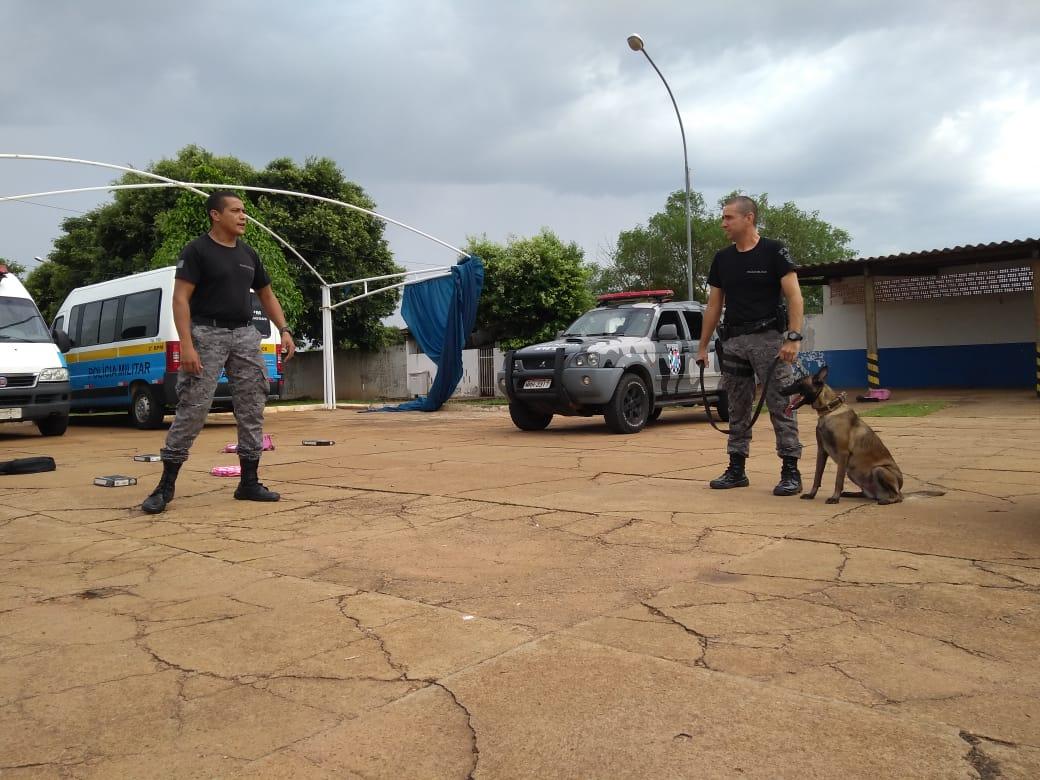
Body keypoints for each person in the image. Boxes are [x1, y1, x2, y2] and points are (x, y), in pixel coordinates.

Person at [141, 191, 296, 514]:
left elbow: (267, 296)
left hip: (244, 334)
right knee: (194, 407)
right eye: (236, 211)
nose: (243, 217)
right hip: (205, 333)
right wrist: (186, 344)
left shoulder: (249, 254)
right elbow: (180, 299)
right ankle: (165, 486)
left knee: (252, 404)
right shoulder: (197, 251)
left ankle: (249, 482)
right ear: (216, 215)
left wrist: (284, 329)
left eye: (244, 211)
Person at [696, 195, 804, 496]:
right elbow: (713, 306)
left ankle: (791, 470)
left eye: (728, 218)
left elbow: (795, 296)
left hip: (770, 341)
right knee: (737, 407)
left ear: (749, 218)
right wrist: (702, 346)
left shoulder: (774, 251)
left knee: (781, 405)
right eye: (723, 217)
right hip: (734, 342)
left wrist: (793, 337)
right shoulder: (722, 259)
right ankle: (736, 468)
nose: (723, 224)